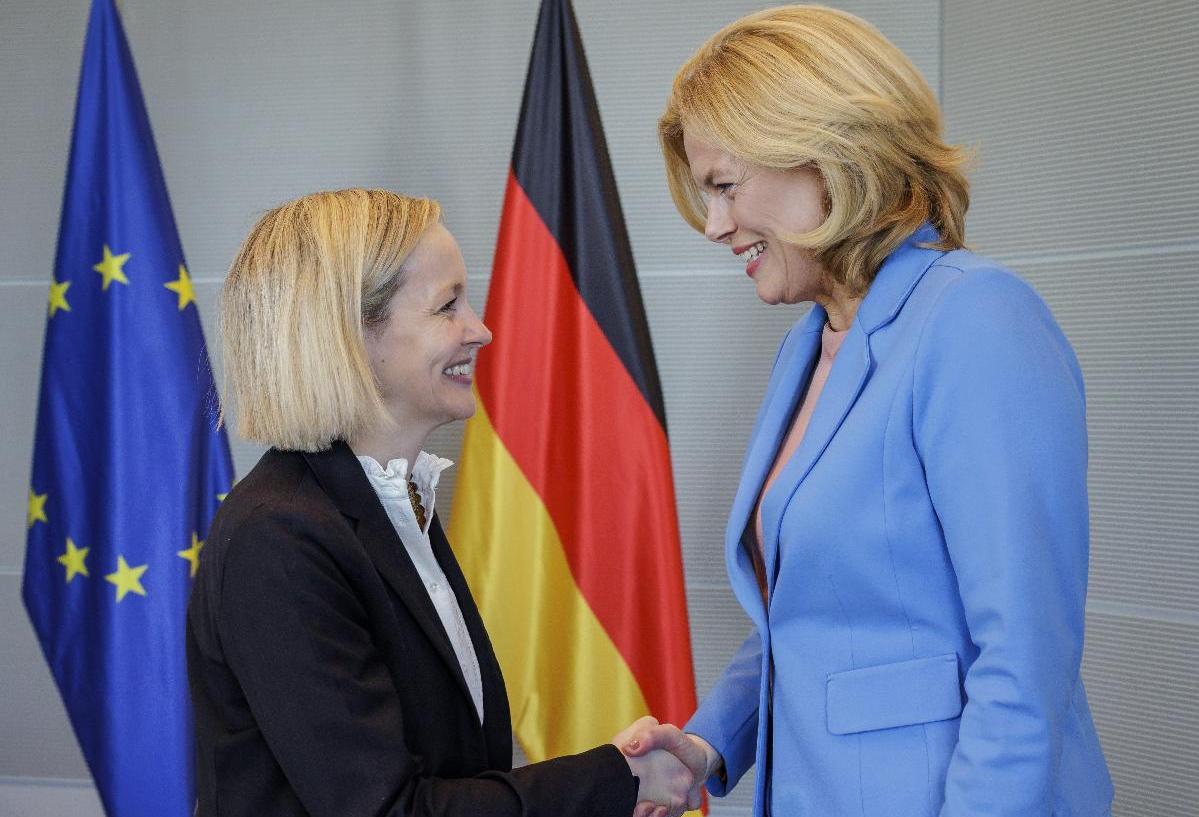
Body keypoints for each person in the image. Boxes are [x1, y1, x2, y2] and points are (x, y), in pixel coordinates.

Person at [624, 6, 1114, 816]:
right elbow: (815, 614)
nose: (712, 226)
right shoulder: (808, 345)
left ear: (823, 151)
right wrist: (708, 743)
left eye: (722, 187)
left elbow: (1024, 659)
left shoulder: (975, 320)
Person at [187, 188, 693, 817]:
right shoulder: (278, 538)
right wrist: (611, 780)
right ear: (349, 335)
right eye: (447, 305)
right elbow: (388, 810)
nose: (481, 330)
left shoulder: (393, 507)